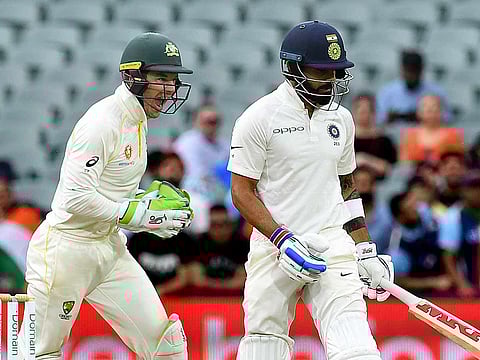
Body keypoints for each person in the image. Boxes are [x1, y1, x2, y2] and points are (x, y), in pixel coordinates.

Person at [21, 32, 195, 360]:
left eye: (173, 80)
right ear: (134, 76)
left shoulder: (137, 120)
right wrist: (136, 215)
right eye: (161, 78)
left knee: (165, 346)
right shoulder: (103, 122)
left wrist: (147, 213)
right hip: (66, 250)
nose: (169, 89)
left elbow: (114, 195)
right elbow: (74, 198)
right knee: (40, 354)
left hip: (109, 249)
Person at [228, 21, 393, 360]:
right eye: (322, 72)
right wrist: (282, 239)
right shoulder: (258, 118)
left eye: (336, 72)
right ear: (292, 68)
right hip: (275, 244)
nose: (331, 82)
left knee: (355, 346)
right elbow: (241, 192)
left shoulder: (342, 119)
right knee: (263, 345)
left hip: (333, 241)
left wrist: (364, 249)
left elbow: (348, 188)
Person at [387, 191, 450, 296]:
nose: (415, 208)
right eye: (410, 205)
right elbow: (399, 281)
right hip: (419, 295)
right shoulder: (397, 247)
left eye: (415, 203)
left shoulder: (426, 215)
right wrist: (432, 283)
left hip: (446, 282)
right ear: (400, 214)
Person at [173, 105, 230, 203]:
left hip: (219, 192)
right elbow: (194, 173)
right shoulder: (186, 141)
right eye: (207, 121)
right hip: (192, 192)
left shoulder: (224, 144)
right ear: (196, 121)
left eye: (214, 121)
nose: (211, 125)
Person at [376, 50, 450, 125]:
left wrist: (425, 116)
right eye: (408, 71)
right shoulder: (387, 92)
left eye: (414, 71)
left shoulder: (436, 92)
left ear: (421, 70)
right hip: (395, 135)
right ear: (402, 70)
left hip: (426, 135)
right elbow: (378, 119)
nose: (411, 76)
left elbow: (447, 118)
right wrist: (391, 117)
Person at [189, 204, 249, 296]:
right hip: (203, 299)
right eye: (215, 225)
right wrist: (226, 284)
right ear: (209, 225)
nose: (219, 230)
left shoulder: (242, 244)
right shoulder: (199, 243)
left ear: (230, 225)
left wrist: (211, 284)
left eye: (223, 225)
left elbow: (242, 280)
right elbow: (196, 278)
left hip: (234, 299)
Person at [438, 171, 480, 298]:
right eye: (473, 188)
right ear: (463, 191)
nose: (477, 192)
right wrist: (462, 285)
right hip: (468, 281)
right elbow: (448, 257)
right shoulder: (452, 216)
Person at [399, 94, 463, 162]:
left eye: (434, 106)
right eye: (425, 106)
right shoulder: (409, 135)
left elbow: (458, 161)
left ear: (441, 112)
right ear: (418, 112)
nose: (431, 109)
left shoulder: (454, 135)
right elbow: (404, 162)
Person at [352, 94, 397, 179]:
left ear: (374, 113)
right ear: (354, 112)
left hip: (379, 184)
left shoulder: (384, 141)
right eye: (360, 110)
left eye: (368, 110)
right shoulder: (346, 140)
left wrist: (365, 160)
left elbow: (389, 168)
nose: (364, 114)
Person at [353, 166, 393, 253]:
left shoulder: (383, 212)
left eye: (365, 183)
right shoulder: (343, 211)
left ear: (373, 186)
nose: (362, 188)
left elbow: (382, 240)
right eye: (358, 183)